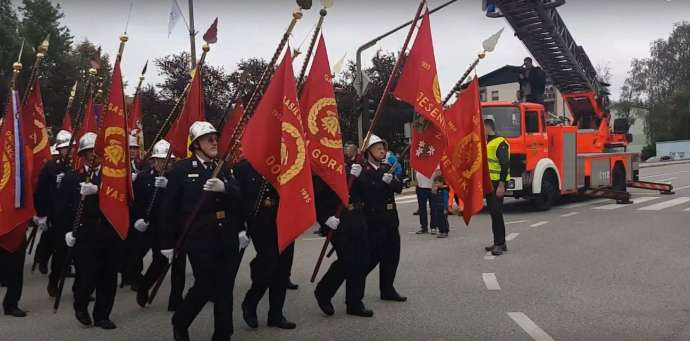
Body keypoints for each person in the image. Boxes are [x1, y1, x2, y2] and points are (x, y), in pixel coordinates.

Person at [160, 121, 248, 341]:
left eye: (215, 138)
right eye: (209, 139)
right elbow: (168, 208)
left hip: (226, 236)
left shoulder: (223, 167)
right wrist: (167, 244)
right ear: (196, 144)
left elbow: (239, 199)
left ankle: (223, 334)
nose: (214, 142)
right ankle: (180, 321)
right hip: (199, 238)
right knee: (206, 285)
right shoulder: (182, 169)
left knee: (225, 289)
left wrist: (225, 188)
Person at [57, 132, 121, 329]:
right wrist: (65, 232)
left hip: (108, 231)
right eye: (88, 152)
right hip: (84, 233)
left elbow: (121, 198)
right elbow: (61, 207)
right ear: (82, 155)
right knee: (86, 275)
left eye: (96, 152)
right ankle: (81, 305)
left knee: (108, 277)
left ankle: (102, 315)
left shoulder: (112, 176)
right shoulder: (71, 177)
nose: (93, 155)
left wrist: (100, 190)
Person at [235, 159, 297, 330]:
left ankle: (276, 315)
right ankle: (250, 303)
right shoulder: (243, 167)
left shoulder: (287, 160)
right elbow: (237, 200)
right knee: (269, 265)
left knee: (283, 269)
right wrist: (240, 227)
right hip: (261, 224)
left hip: (285, 222)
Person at [130, 140, 186, 310]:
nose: (165, 163)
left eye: (168, 160)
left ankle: (175, 300)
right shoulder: (143, 178)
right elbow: (135, 203)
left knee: (179, 265)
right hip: (154, 227)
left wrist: (170, 187)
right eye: (161, 160)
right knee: (159, 262)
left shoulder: (178, 178)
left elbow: (186, 200)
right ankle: (144, 286)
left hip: (176, 226)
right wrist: (137, 219)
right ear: (153, 161)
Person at [313, 160, 374, 318]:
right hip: (337, 221)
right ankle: (323, 292)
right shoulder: (322, 169)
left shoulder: (349, 166)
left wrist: (360, 176)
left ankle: (354, 303)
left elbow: (366, 192)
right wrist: (324, 218)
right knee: (347, 260)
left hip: (356, 218)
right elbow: (315, 196)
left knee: (361, 261)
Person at [360, 135, 407, 302]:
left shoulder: (387, 167)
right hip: (374, 220)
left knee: (392, 255)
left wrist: (391, 181)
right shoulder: (363, 170)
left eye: (383, 148)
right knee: (372, 258)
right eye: (378, 148)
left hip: (390, 219)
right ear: (368, 151)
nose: (382, 151)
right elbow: (366, 191)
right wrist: (382, 181)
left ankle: (387, 289)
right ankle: (355, 283)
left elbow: (399, 188)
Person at [34, 130, 72, 276]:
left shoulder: (72, 165)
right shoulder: (51, 166)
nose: (69, 150)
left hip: (66, 209)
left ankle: (64, 267)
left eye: (71, 148)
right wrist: (41, 214)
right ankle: (42, 259)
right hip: (52, 208)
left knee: (63, 241)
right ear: (59, 149)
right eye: (66, 148)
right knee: (49, 238)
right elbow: (41, 191)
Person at [483, 119, 510, 256]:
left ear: (489, 127)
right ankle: (497, 242)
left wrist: (501, 184)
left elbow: (505, 164)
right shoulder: (487, 142)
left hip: (496, 184)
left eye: (483, 127)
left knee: (497, 213)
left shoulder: (500, 142)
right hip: (489, 183)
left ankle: (501, 244)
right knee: (494, 214)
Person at [430, 173, 450, 238]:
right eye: (435, 183)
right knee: (439, 220)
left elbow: (445, 200)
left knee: (444, 220)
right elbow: (434, 196)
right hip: (438, 207)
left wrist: (445, 208)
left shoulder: (444, 190)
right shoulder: (438, 190)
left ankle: (445, 231)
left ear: (441, 182)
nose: (436, 184)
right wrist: (434, 191)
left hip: (443, 207)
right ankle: (441, 231)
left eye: (437, 183)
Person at [414, 170, 433, 234]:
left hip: (431, 186)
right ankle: (424, 227)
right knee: (422, 208)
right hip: (420, 187)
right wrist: (416, 184)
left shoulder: (433, 160)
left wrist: (435, 184)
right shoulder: (419, 160)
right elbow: (415, 171)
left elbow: (438, 172)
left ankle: (433, 227)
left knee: (433, 208)